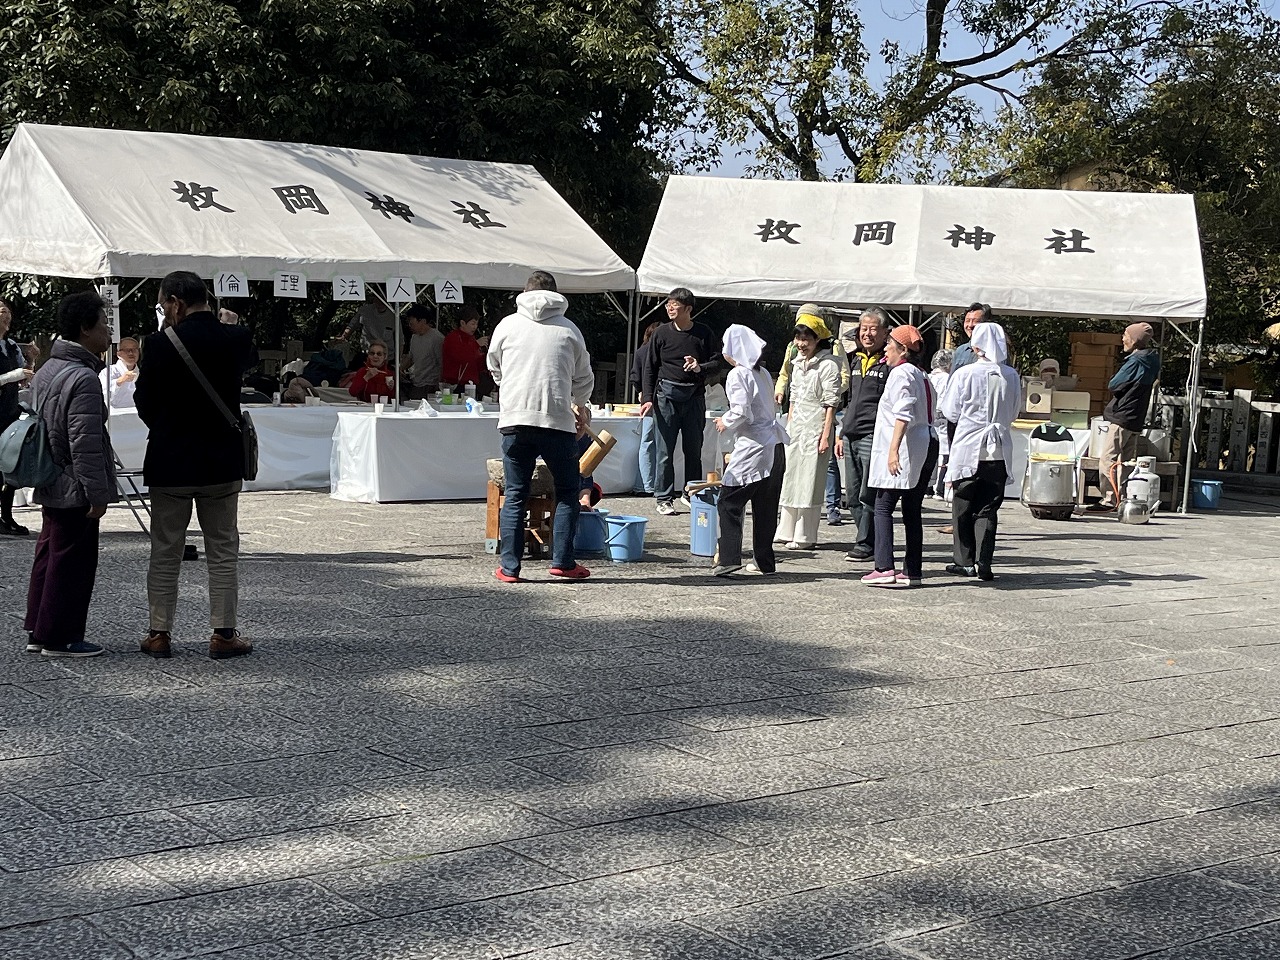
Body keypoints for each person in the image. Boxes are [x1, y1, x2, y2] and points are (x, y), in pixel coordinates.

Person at [135, 271, 257, 659]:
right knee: (222, 549)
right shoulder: (235, 337)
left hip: (170, 461)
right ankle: (223, 634)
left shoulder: (155, 344)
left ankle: (159, 633)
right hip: (221, 462)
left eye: (163, 304)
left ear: (175, 302)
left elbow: (144, 403)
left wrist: (170, 428)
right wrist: (232, 327)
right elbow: (248, 366)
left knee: (165, 549)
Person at [23, 291, 117, 657]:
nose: (108, 332)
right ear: (85, 328)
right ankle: (60, 636)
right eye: (104, 324)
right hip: (73, 482)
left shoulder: (48, 368)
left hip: (49, 474)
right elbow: (85, 442)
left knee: (50, 552)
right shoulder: (83, 378)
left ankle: (39, 627)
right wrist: (97, 493)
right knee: (72, 561)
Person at [487, 270, 594, 583]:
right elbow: (584, 378)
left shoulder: (507, 325)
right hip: (556, 421)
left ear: (524, 292)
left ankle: (510, 567)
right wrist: (580, 405)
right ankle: (563, 561)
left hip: (514, 420)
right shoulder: (569, 330)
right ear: (557, 295)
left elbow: (494, 366)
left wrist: (509, 390)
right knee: (567, 490)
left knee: (516, 492)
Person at [939, 323, 1020, 580]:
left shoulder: (965, 374)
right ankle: (985, 560)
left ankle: (964, 560)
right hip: (998, 451)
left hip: (969, 446)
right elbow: (1015, 411)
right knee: (988, 508)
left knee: (963, 505)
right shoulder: (1011, 375)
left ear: (977, 346)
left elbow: (950, 410)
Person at [861, 326, 939, 588]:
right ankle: (912, 570)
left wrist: (893, 450)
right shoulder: (923, 375)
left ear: (903, 349)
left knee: (883, 504)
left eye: (890, 344)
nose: (885, 349)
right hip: (926, 441)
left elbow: (902, 413)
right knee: (912, 508)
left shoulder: (901, 374)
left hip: (908, 444)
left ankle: (884, 566)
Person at [711, 325, 789, 577]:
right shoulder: (764, 372)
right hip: (774, 444)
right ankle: (764, 561)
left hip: (754, 446)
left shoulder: (738, 374)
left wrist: (725, 421)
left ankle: (729, 558)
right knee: (766, 506)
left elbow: (742, 410)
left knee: (729, 500)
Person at [640, 288, 722, 516]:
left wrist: (699, 367)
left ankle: (691, 492)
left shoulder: (703, 333)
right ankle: (664, 498)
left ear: (688, 309)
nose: (669, 309)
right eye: (668, 305)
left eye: (674, 305)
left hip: (694, 397)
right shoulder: (661, 333)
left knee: (693, 448)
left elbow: (717, 362)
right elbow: (650, 367)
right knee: (664, 450)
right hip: (666, 397)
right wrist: (647, 398)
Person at [774, 304, 850, 526]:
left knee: (823, 468)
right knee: (793, 468)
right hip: (798, 417)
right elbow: (784, 374)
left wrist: (831, 391)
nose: (800, 342)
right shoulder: (793, 350)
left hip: (820, 415)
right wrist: (780, 390)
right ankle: (788, 521)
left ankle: (832, 506)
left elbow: (842, 375)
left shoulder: (833, 349)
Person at [834, 307, 891, 560]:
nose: (867, 334)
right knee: (854, 495)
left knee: (869, 493)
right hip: (850, 433)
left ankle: (866, 543)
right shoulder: (853, 359)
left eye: (872, 329)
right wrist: (840, 432)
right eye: (863, 329)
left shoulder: (889, 363)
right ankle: (868, 538)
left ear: (884, 333)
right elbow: (847, 400)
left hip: (872, 435)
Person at [1090, 322, 1161, 511]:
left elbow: (1114, 384)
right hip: (1136, 418)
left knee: (1108, 459)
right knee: (1127, 462)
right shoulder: (1153, 360)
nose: (1122, 338)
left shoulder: (1135, 360)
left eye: (1125, 335)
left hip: (1122, 416)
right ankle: (1125, 497)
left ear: (1135, 340)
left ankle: (1109, 499)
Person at [1, 297, 35, 536]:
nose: (5, 315)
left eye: (7, 311)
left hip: (10, 412)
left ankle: (7, 516)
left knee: (10, 466)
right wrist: (12, 375)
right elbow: (12, 376)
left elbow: (23, 376)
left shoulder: (11, 346)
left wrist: (32, 359)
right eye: (1, 310)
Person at [630, 321, 661, 494]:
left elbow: (635, 376)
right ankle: (648, 484)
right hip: (658, 399)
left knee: (647, 442)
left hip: (647, 400)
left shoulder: (641, 351)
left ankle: (644, 484)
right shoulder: (655, 352)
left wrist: (641, 391)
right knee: (652, 442)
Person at [442, 305, 489, 391]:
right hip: (456, 384)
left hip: (471, 384)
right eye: (473, 323)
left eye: (476, 324)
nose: (475, 327)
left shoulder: (472, 339)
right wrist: (476, 344)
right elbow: (460, 357)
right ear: (462, 323)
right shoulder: (453, 337)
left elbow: (478, 364)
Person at [402, 305, 444, 400]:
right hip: (416, 382)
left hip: (431, 385)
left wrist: (439, 385)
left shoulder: (437, 338)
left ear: (422, 321)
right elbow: (411, 357)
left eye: (412, 322)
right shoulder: (414, 338)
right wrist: (400, 369)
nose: (410, 325)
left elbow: (442, 363)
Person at [928, 349, 953, 498]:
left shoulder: (928, 376)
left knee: (930, 452)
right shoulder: (948, 378)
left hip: (930, 418)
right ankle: (940, 487)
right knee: (944, 453)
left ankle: (928, 487)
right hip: (943, 418)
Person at [100, 337, 140, 410]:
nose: (131, 353)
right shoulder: (109, 371)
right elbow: (102, 393)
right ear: (118, 354)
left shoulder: (145, 373)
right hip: (115, 415)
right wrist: (119, 381)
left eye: (134, 349)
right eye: (126, 350)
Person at [950, 302, 991, 373]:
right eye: (967, 321)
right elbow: (952, 380)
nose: (970, 325)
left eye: (976, 321)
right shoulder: (961, 351)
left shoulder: (995, 350)